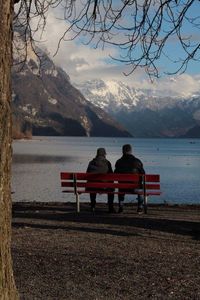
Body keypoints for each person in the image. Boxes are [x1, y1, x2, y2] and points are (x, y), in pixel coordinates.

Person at [115, 144, 145, 213]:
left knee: (121, 188)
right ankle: (140, 207)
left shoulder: (119, 162)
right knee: (140, 187)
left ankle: (121, 206)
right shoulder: (137, 161)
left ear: (122, 151)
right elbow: (143, 175)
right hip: (135, 188)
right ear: (131, 151)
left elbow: (115, 174)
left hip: (123, 188)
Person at [86, 148, 115, 213]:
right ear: (104, 154)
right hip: (104, 187)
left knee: (92, 185)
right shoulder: (107, 163)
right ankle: (110, 207)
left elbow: (87, 174)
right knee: (111, 188)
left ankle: (93, 206)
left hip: (92, 187)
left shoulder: (91, 162)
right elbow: (111, 175)